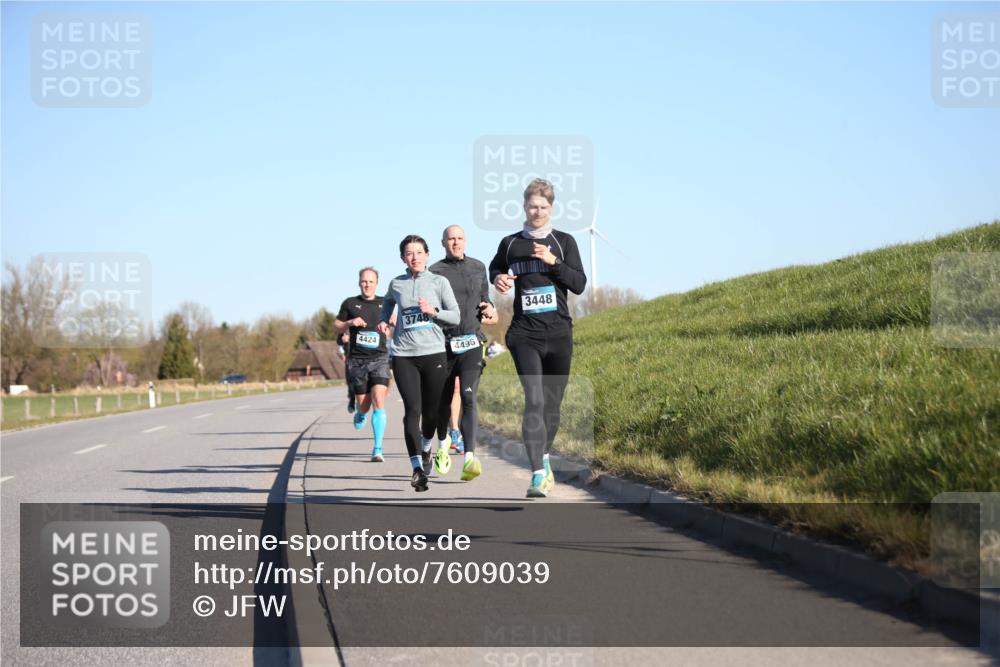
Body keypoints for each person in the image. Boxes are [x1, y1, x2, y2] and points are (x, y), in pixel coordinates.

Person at [489, 179, 587, 498]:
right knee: (534, 399)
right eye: (533, 206)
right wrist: (500, 279)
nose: (538, 212)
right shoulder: (510, 244)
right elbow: (496, 269)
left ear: (551, 208)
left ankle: (543, 456)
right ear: (524, 206)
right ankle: (535, 475)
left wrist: (553, 263)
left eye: (543, 207)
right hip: (524, 333)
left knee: (552, 408)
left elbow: (579, 284)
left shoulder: (564, 242)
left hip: (559, 332)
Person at [377, 235, 460, 492]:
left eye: (418, 252)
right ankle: (416, 468)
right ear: (403, 258)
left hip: (434, 353)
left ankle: (427, 448)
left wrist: (434, 312)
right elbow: (388, 302)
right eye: (409, 253)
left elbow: (455, 316)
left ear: (427, 255)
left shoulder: (439, 282)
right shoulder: (396, 284)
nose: (414, 257)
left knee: (432, 414)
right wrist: (384, 319)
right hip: (403, 355)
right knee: (412, 411)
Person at [430, 224, 498, 482]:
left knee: (468, 396)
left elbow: (485, 300)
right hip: (444, 344)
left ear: (465, 241)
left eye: (459, 238)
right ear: (443, 242)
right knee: (443, 402)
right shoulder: (434, 271)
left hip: (471, 341)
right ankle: (444, 441)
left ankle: (470, 457)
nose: (456, 243)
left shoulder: (478, 267)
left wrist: (488, 307)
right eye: (451, 239)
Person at [335, 267, 391, 462]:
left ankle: (377, 448)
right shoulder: (350, 303)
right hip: (358, 360)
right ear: (359, 283)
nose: (367, 285)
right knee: (364, 405)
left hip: (380, 358)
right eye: (364, 282)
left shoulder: (385, 303)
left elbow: (395, 321)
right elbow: (337, 325)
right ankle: (360, 412)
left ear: (377, 283)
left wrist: (391, 327)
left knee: (378, 399)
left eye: (371, 282)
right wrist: (350, 322)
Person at [338, 330, 355, 414]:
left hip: (364, 355)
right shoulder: (345, 325)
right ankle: (352, 400)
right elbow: (339, 343)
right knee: (350, 381)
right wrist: (342, 354)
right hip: (350, 358)